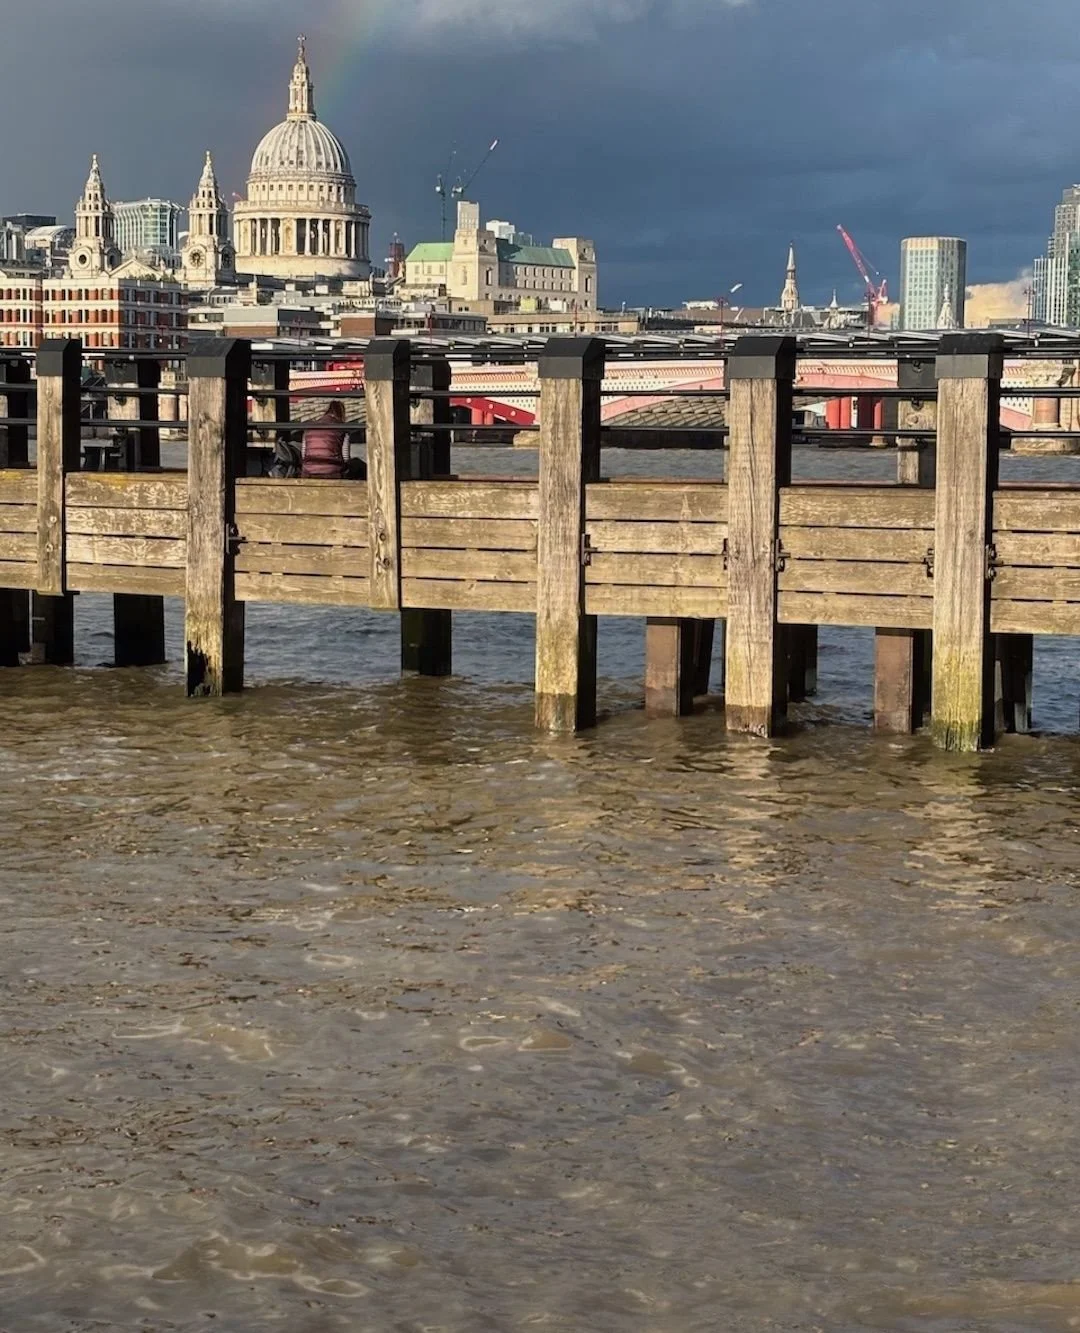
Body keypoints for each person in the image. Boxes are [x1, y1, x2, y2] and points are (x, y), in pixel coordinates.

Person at [301, 400, 366, 479]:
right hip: (333, 472)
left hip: (308, 472)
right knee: (358, 464)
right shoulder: (341, 428)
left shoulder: (310, 428)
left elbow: (304, 453)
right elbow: (345, 457)